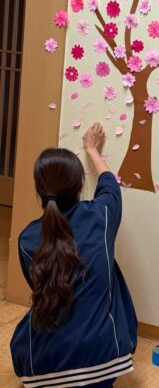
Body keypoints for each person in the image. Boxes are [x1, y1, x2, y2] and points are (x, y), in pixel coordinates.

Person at [11, 123, 137, 388]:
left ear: (39, 191)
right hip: (104, 362)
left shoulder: (26, 239)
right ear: (80, 184)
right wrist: (91, 149)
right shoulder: (101, 216)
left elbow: (38, 288)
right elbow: (109, 184)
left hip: (43, 369)